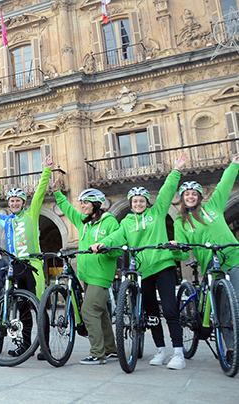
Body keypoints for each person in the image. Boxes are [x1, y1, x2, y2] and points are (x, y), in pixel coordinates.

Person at [92, 152, 188, 370]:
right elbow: (116, 236)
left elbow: (165, 192)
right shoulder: (126, 221)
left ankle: (179, 353)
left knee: (170, 310)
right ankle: (161, 350)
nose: (138, 203)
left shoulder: (157, 212)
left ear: (147, 202)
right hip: (143, 271)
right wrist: (102, 244)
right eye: (135, 201)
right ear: (131, 203)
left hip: (163, 265)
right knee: (151, 312)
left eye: (141, 201)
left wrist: (176, 170)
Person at [0, 154, 53, 359]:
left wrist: (46, 170)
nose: (15, 203)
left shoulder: (31, 214)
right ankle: (26, 346)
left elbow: (39, 193)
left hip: (33, 266)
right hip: (15, 267)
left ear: (23, 202)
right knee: (22, 310)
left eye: (18, 200)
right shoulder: (6, 221)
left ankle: (45, 347)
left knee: (38, 306)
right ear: (9, 203)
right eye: (11, 201)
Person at [51, 178, 120, 365]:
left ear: (96, 205)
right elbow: (67, 209)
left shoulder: (109, 221)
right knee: (100, 313)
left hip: (101, 275)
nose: (82, 206)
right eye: (81, 203)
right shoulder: (84, 223)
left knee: (88, 311)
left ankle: (98, 353)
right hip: (87, 275)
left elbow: (118, 237)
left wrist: (105, 243)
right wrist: (57, 191)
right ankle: (111, 349)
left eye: (86, 203)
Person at [173, 155, 239, 295]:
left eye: (194, 194)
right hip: (211, 264)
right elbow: (183, 254)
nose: (191, 197)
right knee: (221, 306)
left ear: (199, 197)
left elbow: (224, 186)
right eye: (187, 194)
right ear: (183, 198)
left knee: (237, 298)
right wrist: (175, 248)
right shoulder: (181, 222)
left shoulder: (213, 206)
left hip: (233, 256)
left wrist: (234, 165)